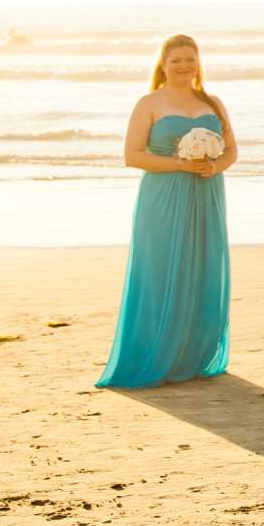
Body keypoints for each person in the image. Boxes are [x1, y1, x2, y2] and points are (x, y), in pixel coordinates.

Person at [96, 35, 236, 389]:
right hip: (162, 195)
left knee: (203, 267)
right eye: (176, 60)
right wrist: (179, 164)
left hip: (206, 193)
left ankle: (192, 355)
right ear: (163, 64)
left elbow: (232, 150)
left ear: (198, 63)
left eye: (190, 59)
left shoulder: (213, 103)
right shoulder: (149, 103)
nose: (184, 66)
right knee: (159, 269)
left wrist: (214, 166)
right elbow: (133, 156)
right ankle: (154, 353)